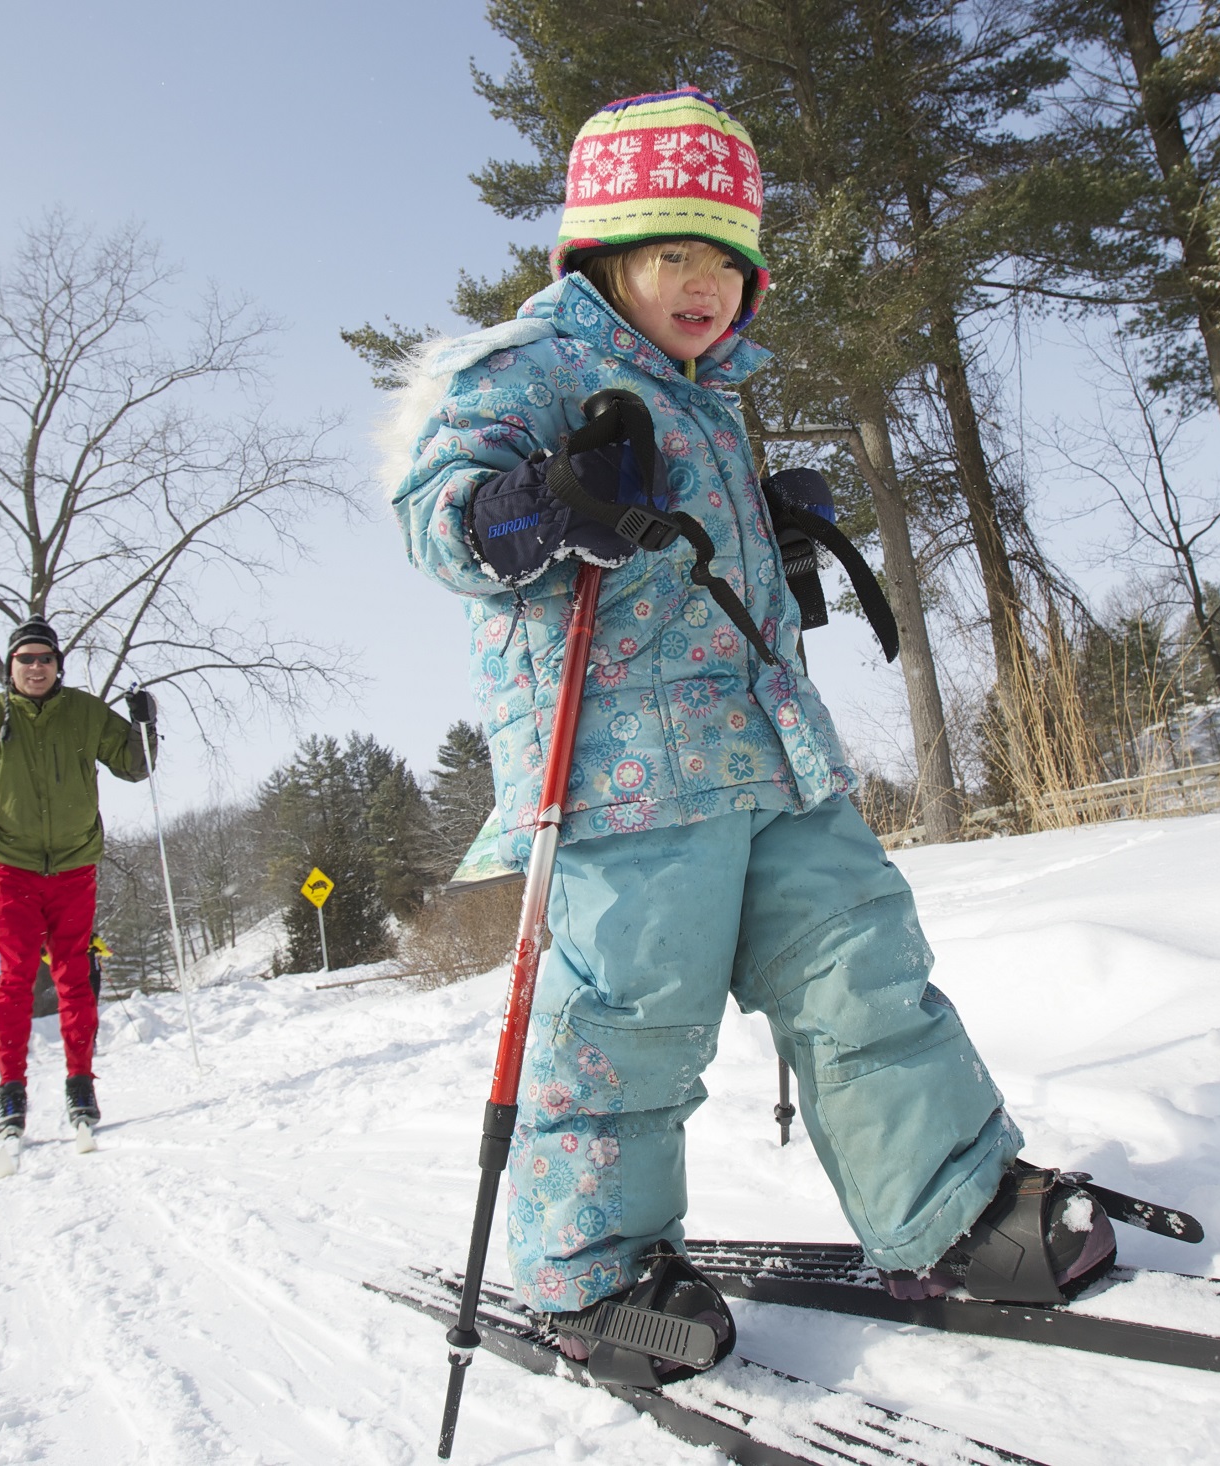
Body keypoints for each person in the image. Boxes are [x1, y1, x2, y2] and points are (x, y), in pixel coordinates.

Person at [388, 87, 1113, 1383]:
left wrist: (764, 529)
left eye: (729, 258)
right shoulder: (536, 364)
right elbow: (438, 513)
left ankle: (949, 1203)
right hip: (619, 781)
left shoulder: (712, 394)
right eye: (676, 252)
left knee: (861, 962)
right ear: (603, 248)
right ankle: (597, 1276)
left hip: (774, 754)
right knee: (626, 1026)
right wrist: (544, 500)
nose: (707, 284)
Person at [0, 618, 156, 1140]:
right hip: (10, 866)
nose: (36, 668)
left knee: (75, 976)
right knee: (16, 978)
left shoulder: (81, 712)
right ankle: (11, 1089)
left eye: (45, 659)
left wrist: (144, 725)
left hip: (74, 864)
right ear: (11, 666)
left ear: (58, 665)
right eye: (26, 659)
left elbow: (134, 766)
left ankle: (80, 1081)